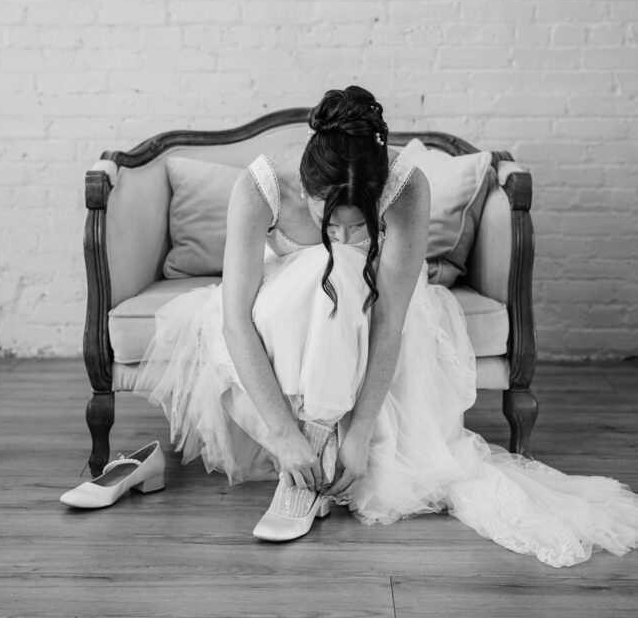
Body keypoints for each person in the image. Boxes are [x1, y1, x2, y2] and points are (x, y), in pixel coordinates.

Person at [135, 85, 638, 566]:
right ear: (307, 187)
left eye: (360, 224)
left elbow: (391, 319)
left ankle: (319, 459)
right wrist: (283, 434)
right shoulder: (260, 187)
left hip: (370, 315)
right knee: (320, 267)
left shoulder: (406, 187)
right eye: (330, 221)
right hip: (281, 321)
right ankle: (306, 447)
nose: (347, 233)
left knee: (344, 268)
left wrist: (359, 431)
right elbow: (236, 322)